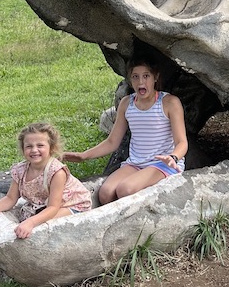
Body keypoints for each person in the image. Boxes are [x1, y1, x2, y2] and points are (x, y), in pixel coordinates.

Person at [63, 56, 187, 204]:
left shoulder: (169, 102)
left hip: (163, 164)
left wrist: (173, 157)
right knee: (105, 193)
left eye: (146, 76)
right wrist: (83, 156)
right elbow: (112, 142)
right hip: (135, 163)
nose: (141, 82)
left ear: (156, 77)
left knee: (125, 190)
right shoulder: (127, 103)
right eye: (135, 77)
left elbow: (182, 142)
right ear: (130, 79)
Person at [0, 122, 93, 239]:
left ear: (51, 148)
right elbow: (10, 198)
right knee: (28, 219)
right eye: (29, 146)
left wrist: (31, 222)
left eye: (40, 145)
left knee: (40, 225)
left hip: (70, 205)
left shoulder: (57, 172)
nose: (34, 150)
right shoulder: (20, 170)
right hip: (44, 204)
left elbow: (53, 207)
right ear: (23, 148)